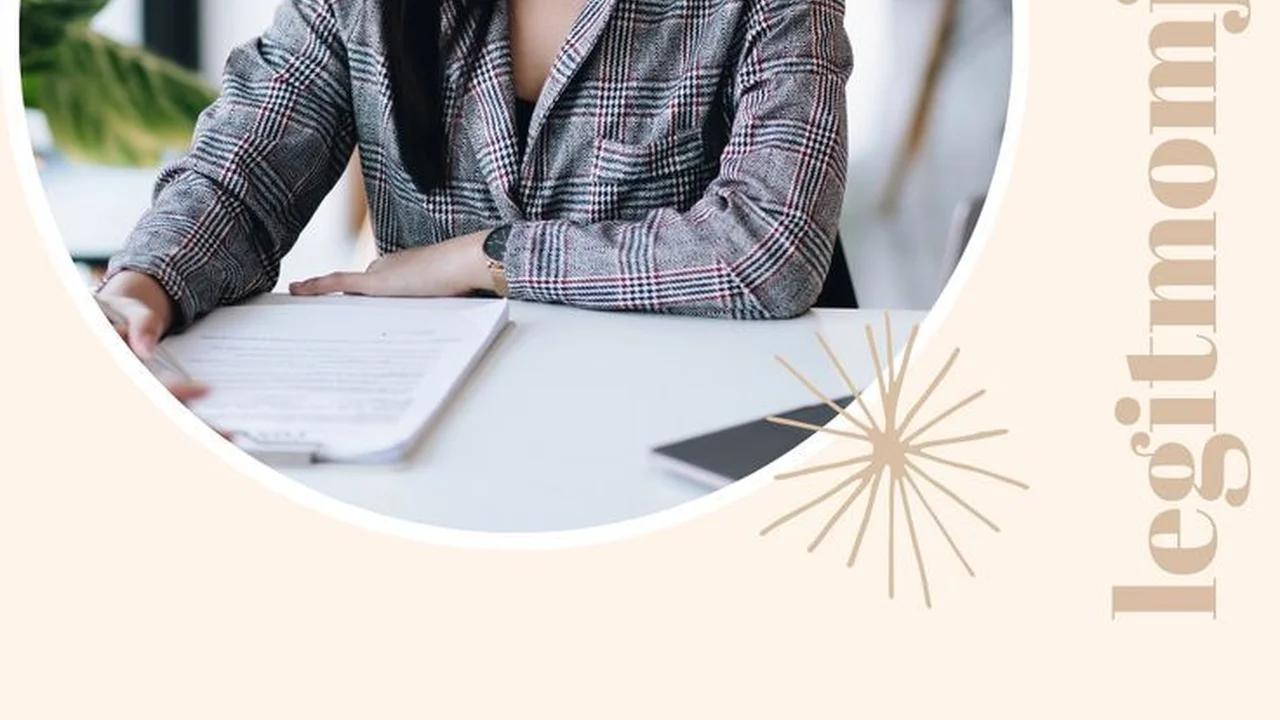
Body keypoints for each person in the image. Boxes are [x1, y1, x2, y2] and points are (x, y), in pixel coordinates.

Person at [96, 0, 854, 400]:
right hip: (432, 424)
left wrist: (487, 258)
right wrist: (146, 281)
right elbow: (243, 175)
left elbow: (769, 251)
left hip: (677, 422)